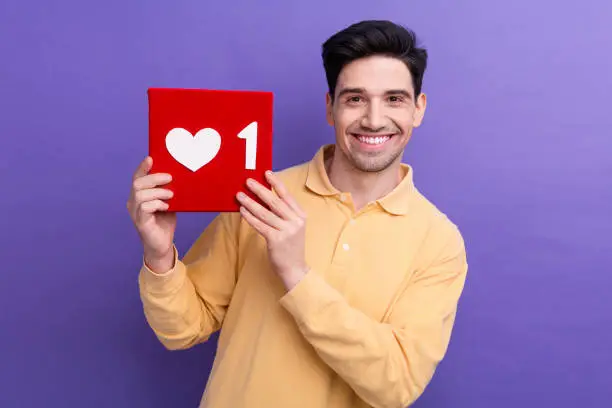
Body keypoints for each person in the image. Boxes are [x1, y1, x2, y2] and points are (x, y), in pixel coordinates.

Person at [127, 19, 468, 408]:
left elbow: (396, 385)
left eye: (394, 99)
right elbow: (183, 329)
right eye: (355, 98)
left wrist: (295, 274)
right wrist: (159, 256)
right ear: (330, 107)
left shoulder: (439, 242)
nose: (374, 119)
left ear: (418, 109)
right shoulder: (260, 195)